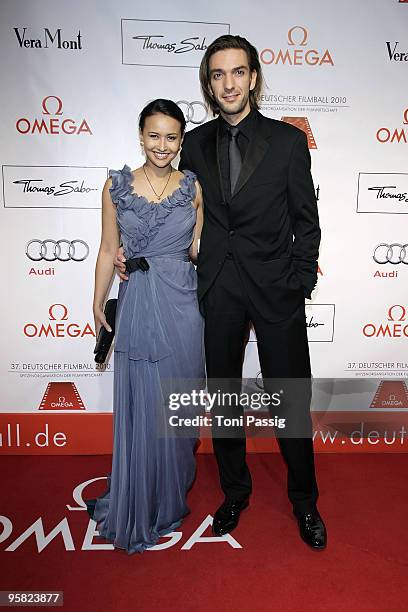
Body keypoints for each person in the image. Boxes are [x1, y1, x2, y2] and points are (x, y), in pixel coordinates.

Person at [115, 35, 327, 550]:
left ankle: (305, 502)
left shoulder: (287, 141)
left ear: (253, 77)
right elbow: (164, 199)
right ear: (208, 85)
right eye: (217, 75)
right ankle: (235, 491)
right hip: (216, 289)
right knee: (224, 395)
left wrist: (297, 280)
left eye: (237, 72)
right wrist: (130, 249)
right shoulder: (195, 143)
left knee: (290, 398)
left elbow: (308, 222)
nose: (228, 83)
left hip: (276, 289)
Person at [87, 98, 205, 554]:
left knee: (177, 403)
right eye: (153, 135)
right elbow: (106, 247)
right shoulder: (115, 186)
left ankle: (168, 494)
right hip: (137, 300)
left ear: (180, 140)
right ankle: (140, 500)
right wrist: (98, 298)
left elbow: (198, 249)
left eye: (171, 137)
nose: (162, 145)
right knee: (142, 402)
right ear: (141, 136)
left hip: (183, 305)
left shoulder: (193, 187)